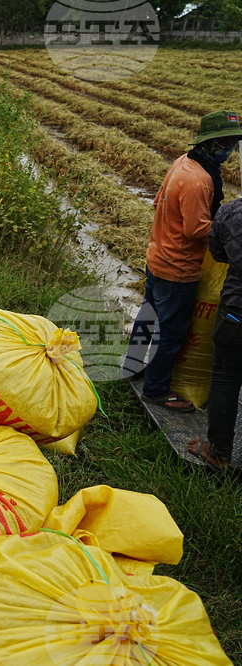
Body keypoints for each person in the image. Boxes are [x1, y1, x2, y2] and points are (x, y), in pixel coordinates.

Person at [126, 110, 242, 413]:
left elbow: (158, 202)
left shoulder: (183, 162)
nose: (230, 148)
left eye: (233, 141)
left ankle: (133, 366)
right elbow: (195, 230)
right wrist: (227, 228)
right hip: (178, 268)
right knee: (173, 332)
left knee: (147, 318)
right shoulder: (199, 181)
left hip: (158, 255)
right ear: (209, 142)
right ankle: (155, 389)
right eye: (224, 141)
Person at [188, 198, 242, 471]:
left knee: (226, 377)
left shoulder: (232, 212)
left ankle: (219, 452)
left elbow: (218, 253)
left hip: (237, 311)